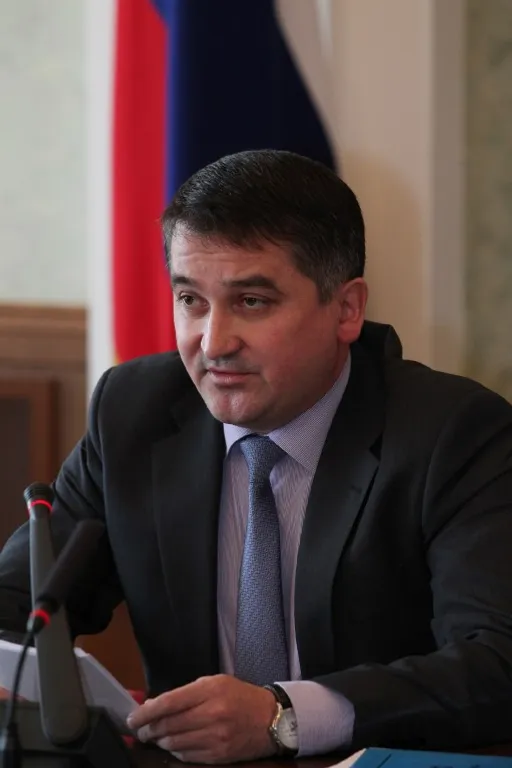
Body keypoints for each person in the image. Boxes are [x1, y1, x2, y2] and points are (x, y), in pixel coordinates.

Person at [1, 149, 512, 765]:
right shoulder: (132, 412)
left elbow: (495, 663)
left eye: (251, 302)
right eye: (190, 300)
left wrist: (283, 716)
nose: (214, 342)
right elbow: (22, 603)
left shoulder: (453, 434)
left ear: (347, 309)